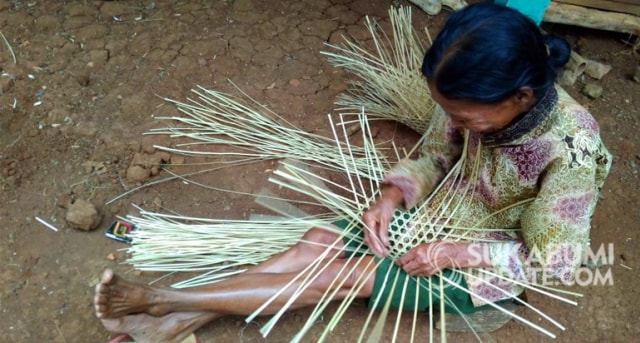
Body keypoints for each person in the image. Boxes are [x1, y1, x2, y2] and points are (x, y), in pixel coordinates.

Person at [94, 3, 611, 342]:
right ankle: (181, 320)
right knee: (316, 241)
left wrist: (455, 252)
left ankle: (165, 300)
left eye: (464, 117)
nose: (455, 123)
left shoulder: (571, 149)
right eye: (448, 110)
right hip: (442, 216)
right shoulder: (468, 98)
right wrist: (390, 196)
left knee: (339, 275)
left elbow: (557, 260)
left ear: (520, 97)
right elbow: (435, 155)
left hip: (487, 265)